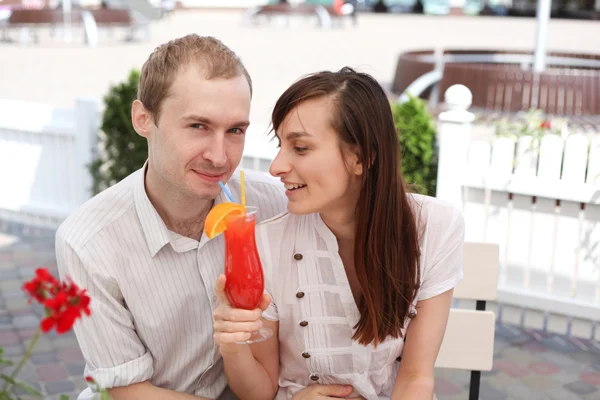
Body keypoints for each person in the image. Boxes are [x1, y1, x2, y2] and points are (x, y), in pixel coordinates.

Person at [55, 34, 289, 399]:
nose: (219, 156)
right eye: (198, 126)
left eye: (235, 131)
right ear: (143, 119)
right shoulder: (88, 241)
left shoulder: (273, 204)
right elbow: (129, 392)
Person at [213, 67, 465, 400]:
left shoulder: (433, 227)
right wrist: (233, 345)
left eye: (300, 148)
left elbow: (416, 377)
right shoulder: (266, 243)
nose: (276, 166)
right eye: (280, 145)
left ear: (361, 156)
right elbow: (259, 393)